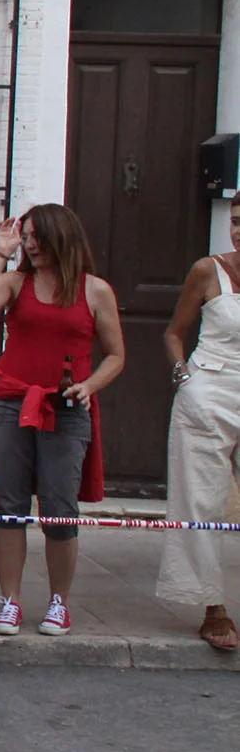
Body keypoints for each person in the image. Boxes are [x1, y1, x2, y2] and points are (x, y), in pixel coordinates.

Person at [0, 204, 126, 637]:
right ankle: (10, 601)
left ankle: (59, 602)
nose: (30, 244)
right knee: (10, 505)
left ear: (62, 237)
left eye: (37, 236)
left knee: (59, 509)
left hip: (67, 406)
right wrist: (1, 253)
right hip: (9, 401)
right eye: (26, 236)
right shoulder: (16, 282)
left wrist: (90, 385)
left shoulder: (95, 291)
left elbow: (116, 355)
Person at [157, 212, 240, 650]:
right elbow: (175, 332)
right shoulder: (208, 270)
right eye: (239, 221)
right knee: (201, 499)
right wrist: (182, 376)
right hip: (209, 391)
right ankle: (213, 607)